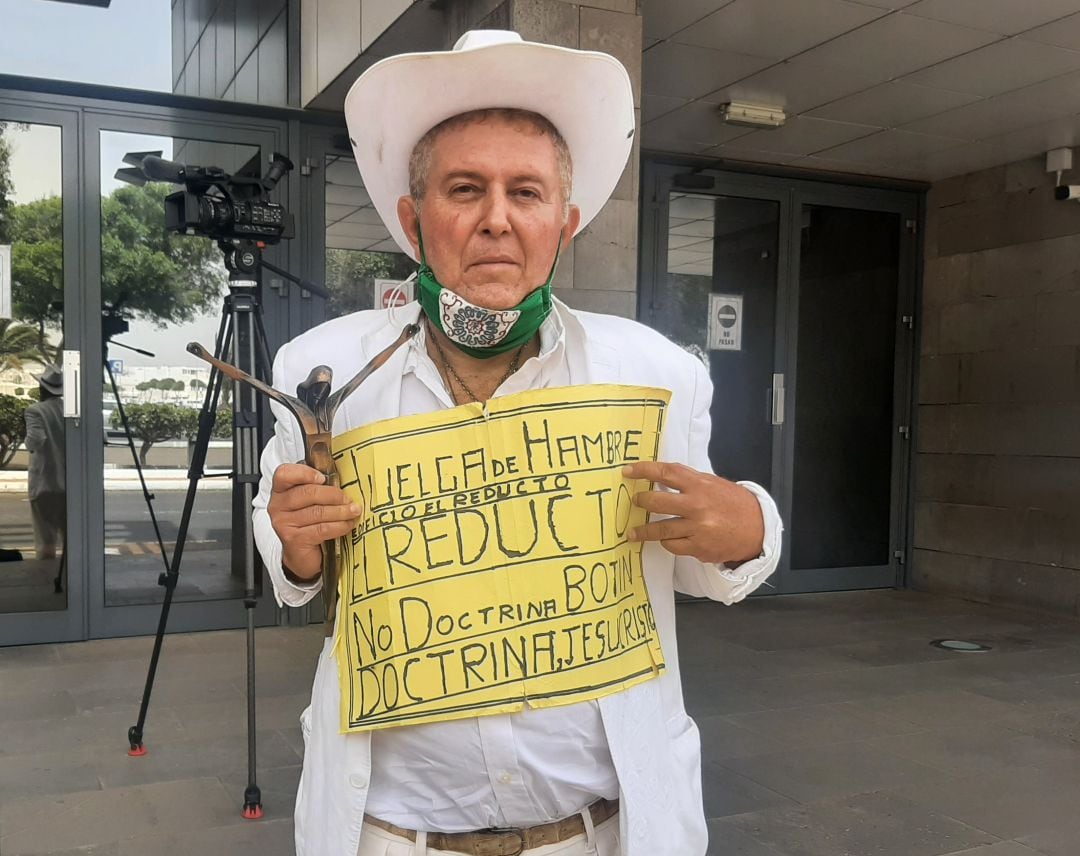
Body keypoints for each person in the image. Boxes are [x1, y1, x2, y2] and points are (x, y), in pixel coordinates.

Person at [253, 30, 782, 856]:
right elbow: (291, 573)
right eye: (465, 189)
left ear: (563, 224)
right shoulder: (321, 369)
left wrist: (747, 525)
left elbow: (710, 567)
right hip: (393, 835)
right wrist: (295, 543)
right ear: (412, 219)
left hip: (601, 834)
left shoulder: (655, 374)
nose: (497, 219)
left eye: (526, 193)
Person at [24, 365, 66, 588]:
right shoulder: (71, 410)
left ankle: (47, 585)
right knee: (72, 542)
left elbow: (35, 441)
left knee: (46, 542)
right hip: (70, 487)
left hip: (44, 485)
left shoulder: (35, 410)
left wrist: (26, 443)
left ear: (42, 387)